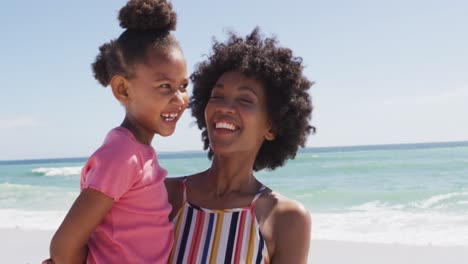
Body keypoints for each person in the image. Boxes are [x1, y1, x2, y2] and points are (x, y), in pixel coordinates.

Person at [47, 0, 188, 263]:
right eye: (165, 86)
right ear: (123, 90)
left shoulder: (138, 152)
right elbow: (63, 246)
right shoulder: (123, 154)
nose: (179, 98)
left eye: (183, 85)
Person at [165, 28, 314, 264]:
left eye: (245, 100)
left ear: (272, 127)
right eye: (217, 96)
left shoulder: (286, 218)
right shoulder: (165, 195)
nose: (224, 107)